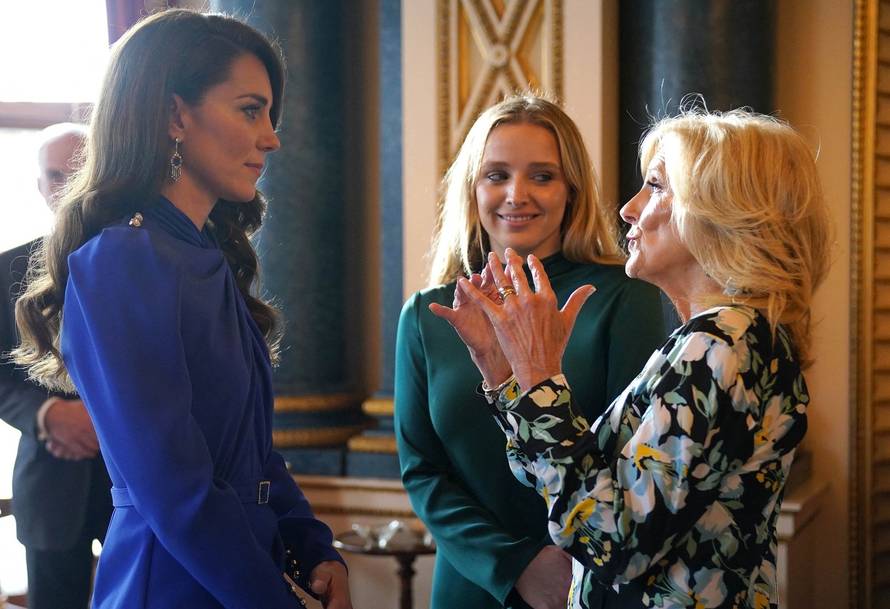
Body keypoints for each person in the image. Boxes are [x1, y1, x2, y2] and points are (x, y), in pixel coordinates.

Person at [12, 9, 350, 609]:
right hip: (171, 582)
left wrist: (314, 546)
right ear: (174, 115)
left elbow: (254, 454)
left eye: (269, 113)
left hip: (239, 569)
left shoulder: (205, 253)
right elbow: (174, 486)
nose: (271, 136)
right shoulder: (123, 259)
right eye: (250, 109)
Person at [434, 109, 832, 608]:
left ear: (720, 208)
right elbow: (566, 481)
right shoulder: (725, 339)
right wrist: (504, 370)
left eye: (656, 186)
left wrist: (538, 377)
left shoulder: (720, 345)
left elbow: (614, 543)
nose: (627, 208)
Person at [395, 93, 665, 609]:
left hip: (589, 581)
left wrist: (562, 562)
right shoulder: (426, 314)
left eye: (542, 176)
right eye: (496, 175)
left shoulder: (622, 296)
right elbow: (422, 471)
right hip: (470, 586)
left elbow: (632, 459)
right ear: (472, 189)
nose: (516, 195)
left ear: (572, 190)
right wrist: (513, 565)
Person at [0, 122, 112, 609]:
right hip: (48, 483)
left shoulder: (140, 261)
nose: (64, 187)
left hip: (136, 481)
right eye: (53, 175)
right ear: (39, 186)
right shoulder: (6, 269)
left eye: (75, 172)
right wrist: (47, 414)